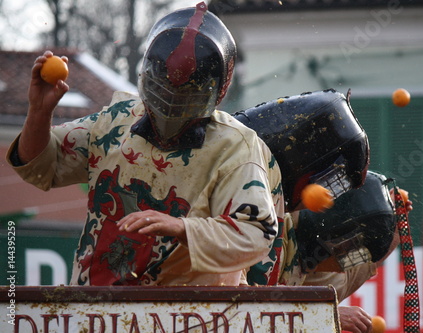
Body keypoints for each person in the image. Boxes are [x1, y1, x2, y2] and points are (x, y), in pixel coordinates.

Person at [7, 2, 283, 287]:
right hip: (94, 311)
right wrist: (39, 113)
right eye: (163, 90)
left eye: (187, 96)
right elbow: (40, 166)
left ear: (219, 90)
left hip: (189, 319)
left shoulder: (235, 146)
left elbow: (255, 234)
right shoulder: (115, 119)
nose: (171, 106)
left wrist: (182, 228)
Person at [243, 171, 412, 333]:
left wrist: (395, 223)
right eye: (346, 246)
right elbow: (238, 313)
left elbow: (370, 263)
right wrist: (327, 315)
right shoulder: (262, 230)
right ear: (332, 228)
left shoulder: (329, 279)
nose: (343, 265)